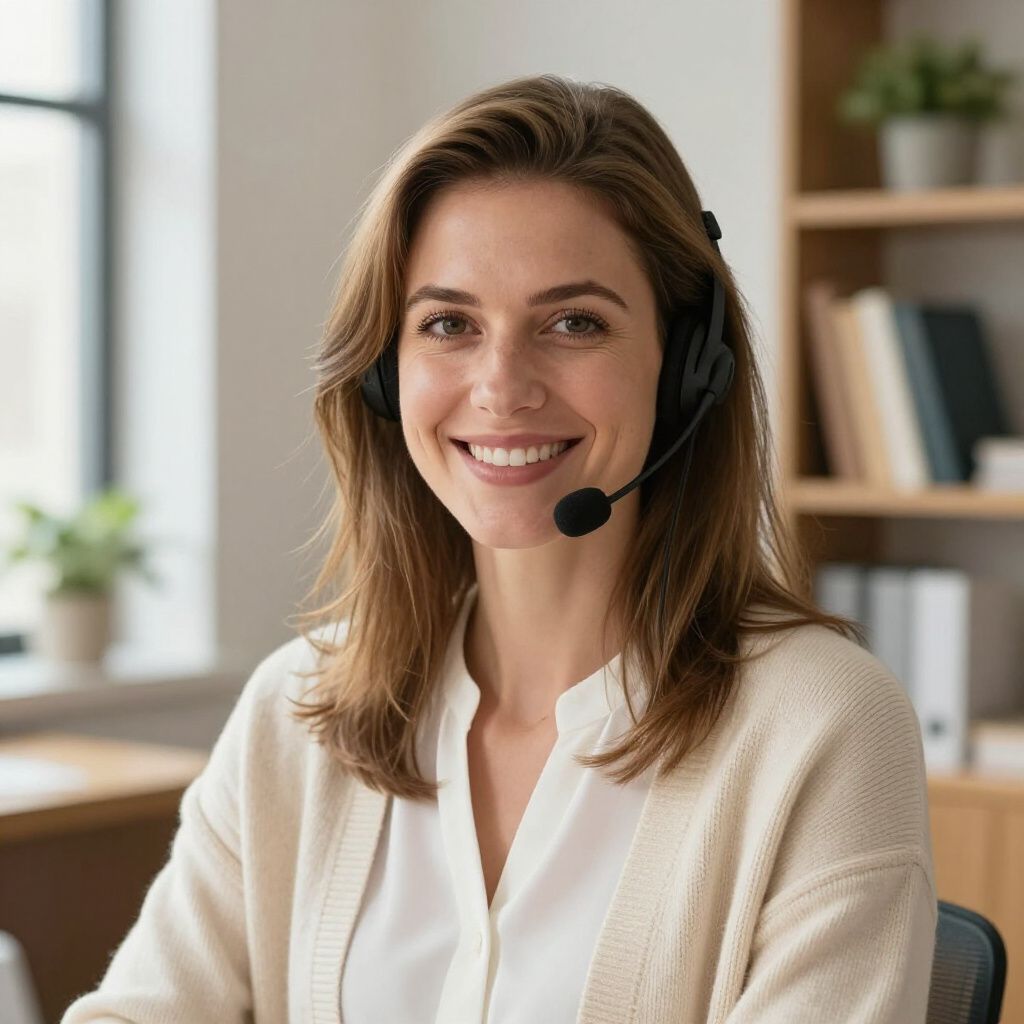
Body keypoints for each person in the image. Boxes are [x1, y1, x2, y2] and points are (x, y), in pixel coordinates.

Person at [62, 74, 937, 1024]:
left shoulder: (820, 725)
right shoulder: (299, 712)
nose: (502, 385)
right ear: (385, 377)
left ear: (687, 369)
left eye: (575, 323)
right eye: (449, 324)